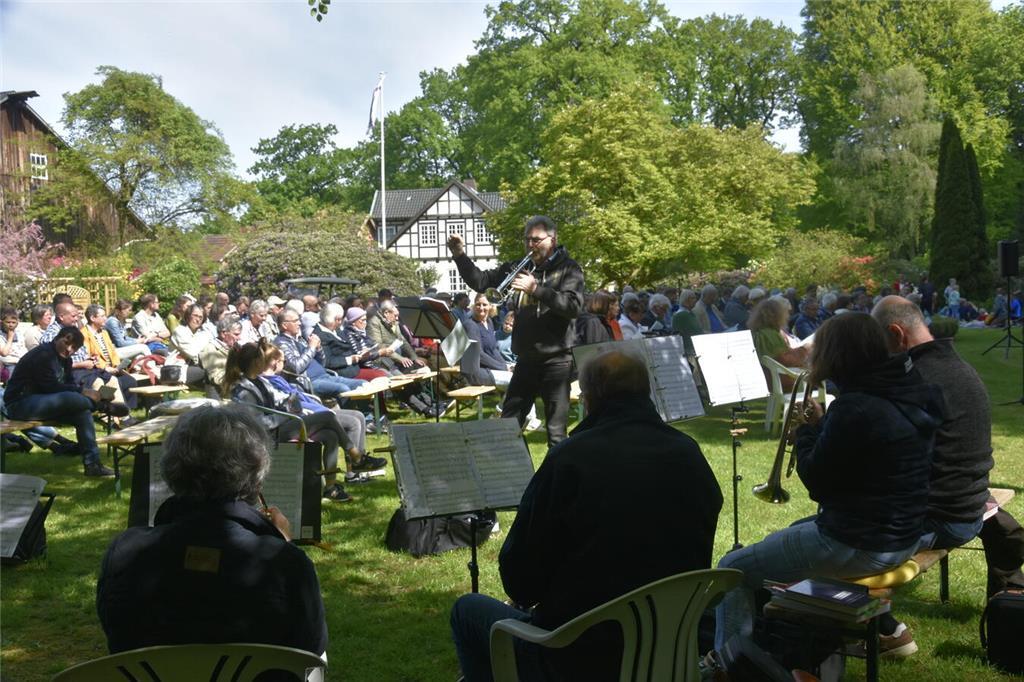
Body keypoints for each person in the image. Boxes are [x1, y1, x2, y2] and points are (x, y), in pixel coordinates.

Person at [450, 351, 722, 680]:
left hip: (574, 657)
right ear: (646, 391)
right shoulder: (689, 453)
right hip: (668, 652)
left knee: (467, 610)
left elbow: (520, 583)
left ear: (590, 398)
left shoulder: (570, 459)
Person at [714, 313, 944, 652]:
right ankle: (780, 645)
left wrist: (806, 432)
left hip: (860, 542)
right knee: (778, 541)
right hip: (906, 534)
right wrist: (823, 426)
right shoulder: (915, 390)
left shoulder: (855, 406)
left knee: (731, 569)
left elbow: (818, 484)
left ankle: (731, 662)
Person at [96, 404, 328, 655]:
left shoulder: (125, 552)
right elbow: (310, 650)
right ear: (256, 475)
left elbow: (117, 637)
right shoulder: (285, 564)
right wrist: (282, 548)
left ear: (171, 467)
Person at [872, 296, 1014, 645]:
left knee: (836, 535)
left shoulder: (915, 380)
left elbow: (877, 463)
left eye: (880, 343)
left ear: (897, 334)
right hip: (970, 504)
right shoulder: (956, 366)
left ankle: (883, 631)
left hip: (945, 517)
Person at [448, 215, 584, 446]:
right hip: (527, 357)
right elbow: (481, 282)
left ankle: (558, 480)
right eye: (527, 240)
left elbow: (573, 307)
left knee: (556, 432)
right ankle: (513, 475)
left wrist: (536, 289)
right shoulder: (519, 266)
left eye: (536, 240)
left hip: (557, 359)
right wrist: (459, 255)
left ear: (552, 239)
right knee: (509, 422)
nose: (530, 245)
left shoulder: (569, 269)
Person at [3, 326, 114, 477]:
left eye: (74, 348)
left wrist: (85, 392)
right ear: (58, 338)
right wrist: (83, 392)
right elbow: (51, 387)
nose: (69, 349)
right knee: (69, 398)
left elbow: (68, 385)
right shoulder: (43, 354)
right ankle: (102, 407)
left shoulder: (66, 361)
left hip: (46, 403)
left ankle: (93, 464)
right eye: (66, 343)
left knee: (82, 413)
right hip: (20, 404)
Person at [748, 296, 809, 391]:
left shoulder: (765, 332)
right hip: (782, 380)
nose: (787, 316)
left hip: (779, 378)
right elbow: (784, 359)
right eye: (786, 313)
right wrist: (804, 350)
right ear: (776, 315)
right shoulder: (768, 335)